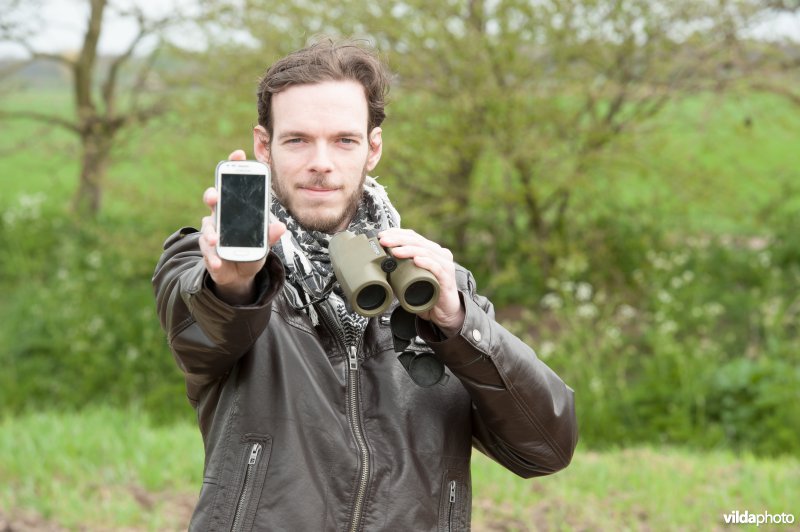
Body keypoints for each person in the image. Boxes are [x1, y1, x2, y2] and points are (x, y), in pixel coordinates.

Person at [153, 38, 577, 531]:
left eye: (344, 140)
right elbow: (202, 331)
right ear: (263, 146)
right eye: (297, 140)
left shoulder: (431, 285)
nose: (321, 162)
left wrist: (458, 324)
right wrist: (234, 287)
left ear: (372, 148)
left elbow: (546, 448)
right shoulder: (205, 263)